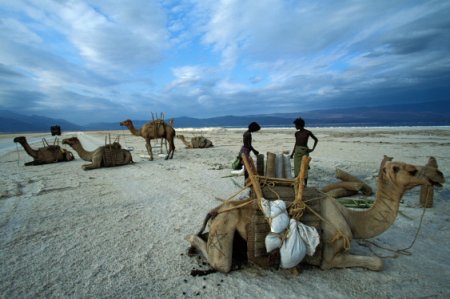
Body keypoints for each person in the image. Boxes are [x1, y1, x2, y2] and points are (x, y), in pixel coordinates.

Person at [290, 117, 318, 184]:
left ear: (300, 125)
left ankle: (305, 184)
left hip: (305, 151)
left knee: (304, 168)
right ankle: (297, 182)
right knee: (297, 167)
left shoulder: (307, 132)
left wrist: (312, 149)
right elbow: (296, 143)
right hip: (297, 151)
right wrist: (292, 153)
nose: (295, 126)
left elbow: (316, 140)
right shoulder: (296, 133)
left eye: (296, 125)